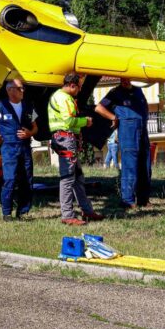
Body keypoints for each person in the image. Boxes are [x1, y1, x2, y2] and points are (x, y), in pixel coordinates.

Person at [0, 77, 38, 221]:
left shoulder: (28, 105)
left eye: (23, 88)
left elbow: (36, 127)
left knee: (26, 179)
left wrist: (30, 133)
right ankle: (6, 213)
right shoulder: (0, 106)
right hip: (9, 148)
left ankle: (23, 212)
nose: (23, 91)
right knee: (10, 179)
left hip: (24, 147)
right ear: (10, 90)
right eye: (19, 88)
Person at [49, 72, 104, 226]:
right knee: (67, 178)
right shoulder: (63, 98)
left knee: (77, 177)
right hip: (65, 139)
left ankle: (87, 210)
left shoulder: (61, 97)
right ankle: (67, 215)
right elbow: (68, 120)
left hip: (65, 139)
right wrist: (84, 121)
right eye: (79, 87)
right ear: (72, 85)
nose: (80, 90)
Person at [95, 77, 151, 208]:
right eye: (123, 79)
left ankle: (143, 199)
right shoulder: (115, 92)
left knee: (145, 165)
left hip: (142, 130)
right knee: (129, 166)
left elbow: (145, 105)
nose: (125, 81)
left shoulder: (138, 90)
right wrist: (114, 117)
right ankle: (128, 200)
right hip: (128, 131)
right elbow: (99, 108)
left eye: (128, 79)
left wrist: (145, 118)